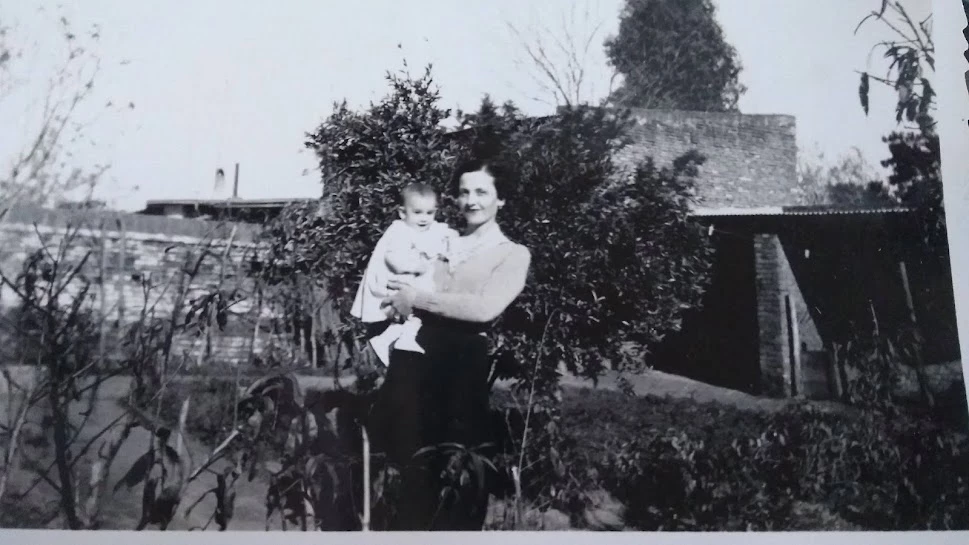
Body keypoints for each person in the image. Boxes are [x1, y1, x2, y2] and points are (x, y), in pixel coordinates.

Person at [369, 158, 532, 531]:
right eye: (463, 192)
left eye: (481, 192)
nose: (470, 201)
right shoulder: (440, 242)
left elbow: (483, 309)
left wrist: (418, 299)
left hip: (462, 372)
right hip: (414, 366)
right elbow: (398, 282)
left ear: (500, 199)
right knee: (409, 481)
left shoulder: (513, 254)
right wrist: (396, 306)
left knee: (458, 483)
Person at [349, 182, 457, 366]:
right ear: (402, 212)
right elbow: (395, 261)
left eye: (429, 213)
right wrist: (417, 267)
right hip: (391, 282)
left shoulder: (426, 229)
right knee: (424, 300)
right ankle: (395, 339)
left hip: (408, 282)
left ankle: (393, 339)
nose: (424, 218)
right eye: (417, 212)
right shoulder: (398, 231)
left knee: (422, 307)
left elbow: (445, 232)